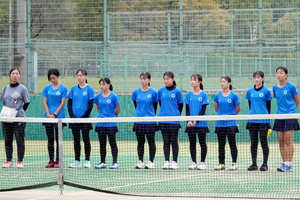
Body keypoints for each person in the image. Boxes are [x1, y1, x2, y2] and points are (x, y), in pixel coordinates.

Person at [1, 68, 30, 168]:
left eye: (17, 74)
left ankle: (20, 161)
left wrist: (19, 112)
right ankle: (9, 161)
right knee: (8, 140)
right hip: (6, 119)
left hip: (18, 119)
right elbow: (4, 101)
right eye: (13, 74)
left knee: (19, 140)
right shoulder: (5, 88)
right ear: (10, 76)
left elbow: (27, 102)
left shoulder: (23, 88)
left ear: (19, 76)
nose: (15, 75)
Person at [273, 66, 299, 172]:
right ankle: (284, 163)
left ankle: (288, 164)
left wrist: (291, 112)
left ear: (286, 75)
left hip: (290, 116)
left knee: (289, 141)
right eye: (277, 73)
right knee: (281, 141)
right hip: (279, 116)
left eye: (281, 73)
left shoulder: (291, 86)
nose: (279, 75)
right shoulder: (275, 88)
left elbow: (297, 100)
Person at [68, 69, 94, 168]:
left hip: (85, 120)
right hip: (74, 120)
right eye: (78, 75)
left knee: (86, 139)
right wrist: (73, 117)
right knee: (76, 140)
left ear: (85, 76)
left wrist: (83, 117)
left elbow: (90, 105)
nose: (79, 77)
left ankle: (87, 160)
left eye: (81, 75)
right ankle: (77, 161)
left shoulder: (89, 89)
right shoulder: (73, 89)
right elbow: (69, 104)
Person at [42, 69, 68, 168]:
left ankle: (58, 160)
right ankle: (51, 160)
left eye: (54, 77)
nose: (52, 80)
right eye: (50, 78)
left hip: (59, 118)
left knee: (58, 140)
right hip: (48, 118)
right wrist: (49, 114)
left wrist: (55, 114)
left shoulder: (63, 88)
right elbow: (45, 102)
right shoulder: (46, 88)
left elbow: (62, 102)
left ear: (58, 76)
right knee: (50, 139)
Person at [246, 71, 271, 171]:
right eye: (255, 77)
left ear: (262, 78)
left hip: (263, 121)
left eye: (259, 77)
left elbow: (268, 107)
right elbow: (250, 105)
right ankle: (254, 164)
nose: (257, 79)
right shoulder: (250, 91)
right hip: (252, 120)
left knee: (263, 141)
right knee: (253, 142)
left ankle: (265, 164)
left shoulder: (266, 91)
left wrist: (267, 119)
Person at [213, 76, 240, 170]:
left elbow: (238, 109)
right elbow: (216, 108)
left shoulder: (234, 95)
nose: (222, 83)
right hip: (220, 124)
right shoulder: (217, 96)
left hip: (231, 124)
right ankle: (221, 163)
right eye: (221, 82)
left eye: (224, 81)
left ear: (229, 83)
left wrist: (230, 116)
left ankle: (234, 163)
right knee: (221, 144)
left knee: (232, 143)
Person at [132, 72, 158, 169]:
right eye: (141, 79)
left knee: (151, 141)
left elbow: (155, 107)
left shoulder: (154, 93)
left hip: (150, 122)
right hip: (139, 121)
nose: (143, 81)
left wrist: (150, 115)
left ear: (149, 80)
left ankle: (151, 161)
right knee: (140, 142)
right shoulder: (136, 92)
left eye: (145, 79)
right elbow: (136, 105)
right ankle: (140, 161)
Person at [158, 71, 183, 170]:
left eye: (168, 79)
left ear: (172, 79)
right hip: (163, 120)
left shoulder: (177, 91)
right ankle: (166, 161)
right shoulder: (160, 91)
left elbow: (180, 105)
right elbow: (160, 103)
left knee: (174, 141)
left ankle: (174, 162)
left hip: (174, 121)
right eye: (164, 79)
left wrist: (175, 116)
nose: (166, 81)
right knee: (166, 141)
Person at [94, 77, 121, 169]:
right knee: (102, 144)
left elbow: (118, 109)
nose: (102, 86)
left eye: (104, 84)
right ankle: (102, 162)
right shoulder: (98, 96)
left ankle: (115, 162)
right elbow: (98, 108)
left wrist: (113, 118)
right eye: (100, 84)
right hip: (100, 123)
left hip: (111, 124)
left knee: (112, 143)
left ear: (108, 84)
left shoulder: (113, 96)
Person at [184, 74, 209, 170]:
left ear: (199, 82)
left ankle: (202, 162)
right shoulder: (189, 94)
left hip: (201, 124)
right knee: (192, 143)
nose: (192, 82)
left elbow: (203, 109)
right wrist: (189, 120)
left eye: (194, 80)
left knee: (202, 143)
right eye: (191, 80)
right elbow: (187, 109)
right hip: (190, 124)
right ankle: (193, 162)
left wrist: (196, 121)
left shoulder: (203, 94)